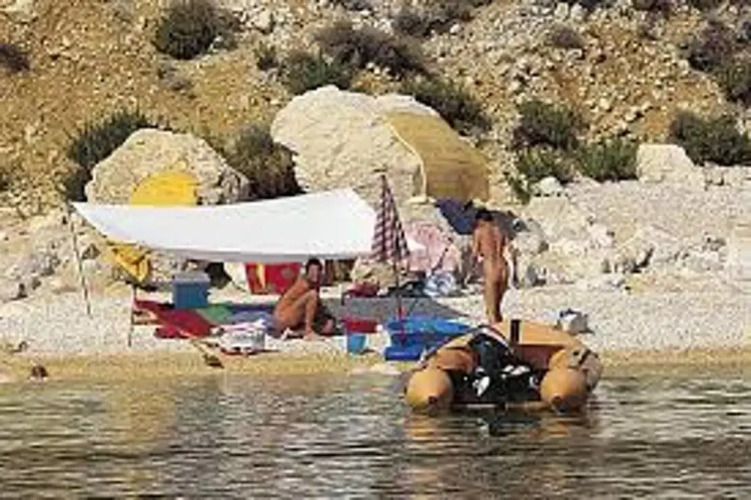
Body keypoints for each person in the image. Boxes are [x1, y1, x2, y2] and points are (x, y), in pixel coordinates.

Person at [273, 258, 336, 339]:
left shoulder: (314, 283)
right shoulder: (304, 284)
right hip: (282, 318)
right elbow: (313, 304)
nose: (315, 274)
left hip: (289, 317)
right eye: (312, 271)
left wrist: (327, 319)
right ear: (307, 272)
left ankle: (295, 332)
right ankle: (308, 332)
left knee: (326, 326)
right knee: (312, 295)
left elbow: (315, 306)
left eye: (318, 271)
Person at [472, 208, 509, 324]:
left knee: (491, 311)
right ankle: (502, 331)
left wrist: (470, 273)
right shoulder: (500, 231)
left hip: (491, 268)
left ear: (480, 220)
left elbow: (474, 254)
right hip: (504, 268)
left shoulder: (479, 231)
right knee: (497, 309)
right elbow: (511, 250)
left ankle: (495, 333)